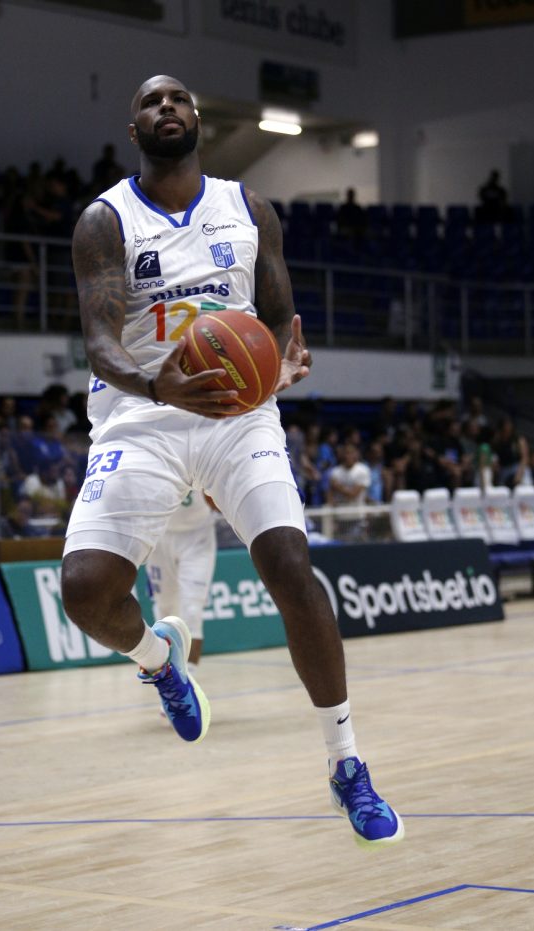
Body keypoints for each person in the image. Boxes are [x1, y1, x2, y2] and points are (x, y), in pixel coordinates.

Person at [60, 74, 403, 848]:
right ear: (134, 129)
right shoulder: (104, 221)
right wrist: (159, 383)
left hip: (236, 415)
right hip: (143, 415)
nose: (166, 107)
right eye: (150, 102)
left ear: (197, 121)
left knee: (290, 564)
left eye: (178, 98)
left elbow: (277, 316)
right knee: (84, 591)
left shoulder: (250, 210)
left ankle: (346, 763)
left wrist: (282, 359)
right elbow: (100, 343)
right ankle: (160, 662)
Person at [145, 490, 218, 669]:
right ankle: (169, 670)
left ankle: (189, 674)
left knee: (192, 609)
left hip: (198, 534)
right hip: (159, 534)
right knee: (165, 609)